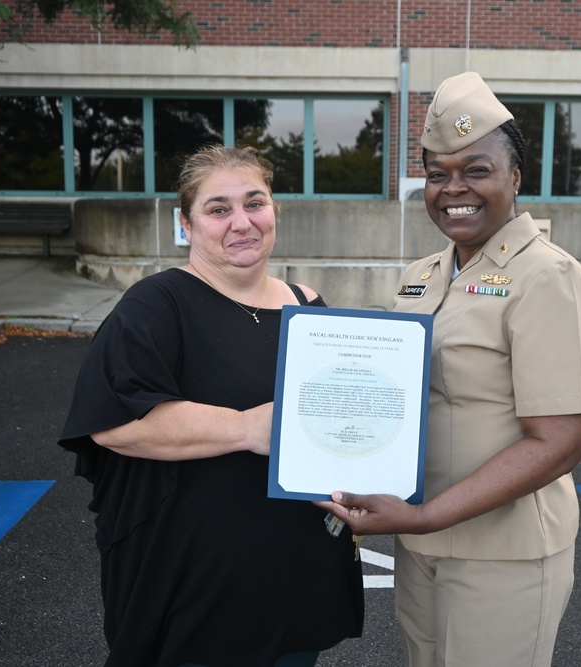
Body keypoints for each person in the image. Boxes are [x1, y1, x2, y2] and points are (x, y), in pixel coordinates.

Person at [319, 72, 581, 667]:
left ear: (515, 177)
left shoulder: (547, 277)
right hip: (422, 544)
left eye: (476, 170)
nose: (454, 189)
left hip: (504, 552)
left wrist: (422, 517)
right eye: (438, 173)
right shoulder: (422, 274)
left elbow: (560, 442)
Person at [59, 145, 364, 667]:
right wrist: (249, 428)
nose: (241, 222)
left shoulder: (307, 304)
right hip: (196, 588)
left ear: (275, 211)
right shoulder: (157, 304)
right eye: (218, 209)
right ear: (187, 224)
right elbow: (114, 421)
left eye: (255, 203)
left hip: (295, 577)